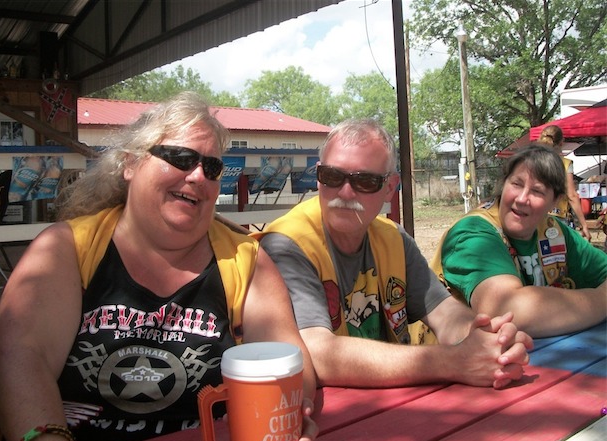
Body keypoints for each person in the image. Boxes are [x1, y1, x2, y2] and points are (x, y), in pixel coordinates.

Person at [0, 92, 318, 441]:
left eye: (212, 168)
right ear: (130, 164)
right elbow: (23, 359)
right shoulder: (66, 249)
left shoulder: (245, 260)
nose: (198, 176)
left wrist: (290, 412)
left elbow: (290, 363)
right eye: (180, 158)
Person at [255, 118, 532, 390]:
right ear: (318, 178)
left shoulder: (394, 239)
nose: (346, 192)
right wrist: (453, 361)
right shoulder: (287, 245)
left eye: (364, 181)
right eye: (332, 177)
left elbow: (445, 313)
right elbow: (318, 353)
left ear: (390, 187)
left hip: (394, 402)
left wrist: (487, 338)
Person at [432, 144, 607, 338]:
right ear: (503, 184)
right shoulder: (471, 233)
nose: (522, 199)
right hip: (454, 356)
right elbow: (507, 310)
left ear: (555, 201)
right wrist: (601, 299)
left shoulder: (554, 231)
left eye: (537, 191)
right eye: (516, 184)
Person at [537, 125, 591, 239]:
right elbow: (571, 196)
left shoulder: (534, 161)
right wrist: (584, 225)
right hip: (557, 217)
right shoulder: (565, 163)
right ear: (561, 142)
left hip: (536, 214)